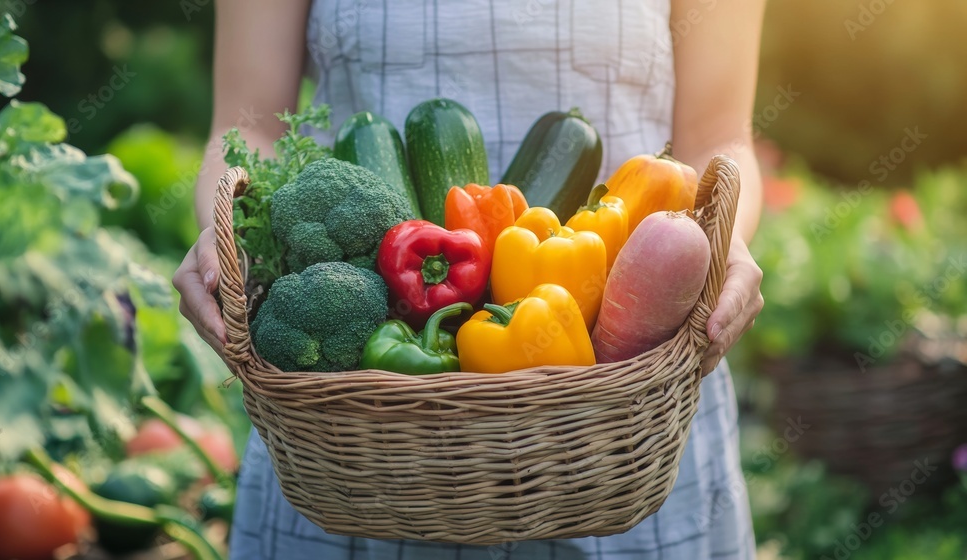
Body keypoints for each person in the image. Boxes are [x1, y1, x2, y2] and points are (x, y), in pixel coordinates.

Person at [174, 0, 766, 558]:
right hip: (357, 443)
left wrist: (722, 244)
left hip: (628, 421)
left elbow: (721, 135)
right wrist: (229, 239)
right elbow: (243, 126)